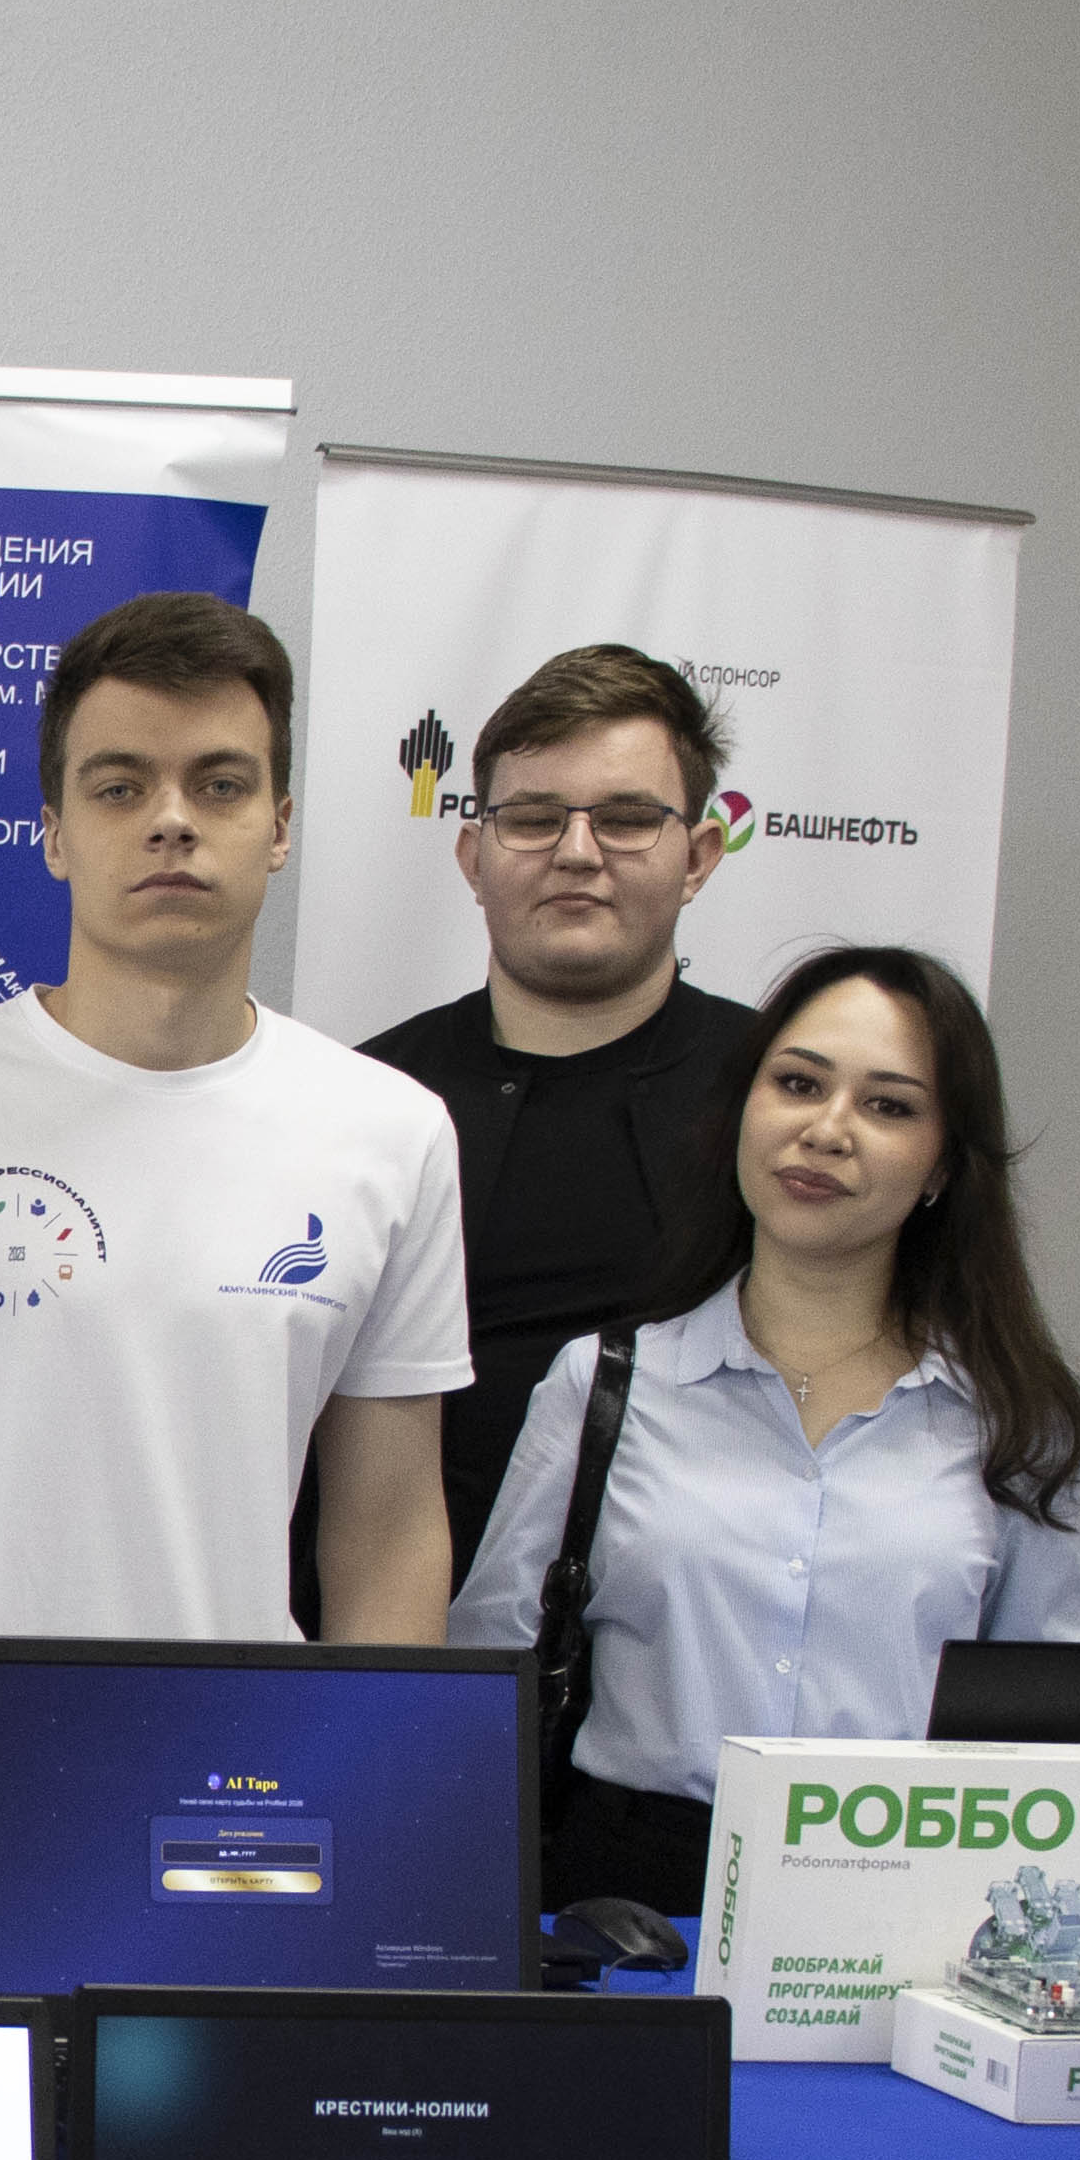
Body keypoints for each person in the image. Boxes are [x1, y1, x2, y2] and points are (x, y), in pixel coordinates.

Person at [0, 590, 470, 1913]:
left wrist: (368, 1814)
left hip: (239, 1845)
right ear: (54, 831)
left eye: (218, 783)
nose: (170, 819)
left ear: (280, 825)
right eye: (119, 784)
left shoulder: (388, 1132)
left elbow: (387, 1528)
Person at [450, 949, 1080, 1916]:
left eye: (887, 1106)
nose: (825, 1130)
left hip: (906, 1896)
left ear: (941, 1166)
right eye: (797, 1084)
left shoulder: (1021, 1418)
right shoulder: (605, 1383)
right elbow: (484, 1680)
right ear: (740, 1113)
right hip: (627, 1897)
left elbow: (1042, 1738)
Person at [357, 644, 767, 1572]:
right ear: (473, 858)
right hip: (389, 1631)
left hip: (698, 1634)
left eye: (625, 820)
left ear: (699, 856)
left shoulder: (776, 1099)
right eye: (534, 819)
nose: (577, 854)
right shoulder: (363, 1098)